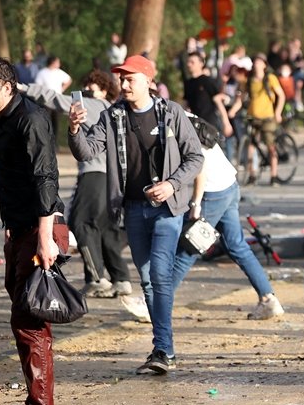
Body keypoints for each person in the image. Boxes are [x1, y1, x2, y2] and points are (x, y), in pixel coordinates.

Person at [68, 55, 204, 375]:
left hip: (168, 209)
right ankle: (162, 349)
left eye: (130, 79)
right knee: (146, 280)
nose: (123, 84)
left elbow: (195, 157)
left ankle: (164, 349)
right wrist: (74, 129)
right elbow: (87, 152)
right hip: (132, 208)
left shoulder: (170, 112)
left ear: (148, 81)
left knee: (159, 274)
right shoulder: (114, 115)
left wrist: (172, 185)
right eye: (121, 79)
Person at [0, 57, 69, 405]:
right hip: (19, 228)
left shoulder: (31, 119)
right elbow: (10, 180)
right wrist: (9, 228)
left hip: (40, 228)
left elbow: (46, 179)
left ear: (7, 86)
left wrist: (45, 238)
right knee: (23, 313)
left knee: (29, 319)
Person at [21, 69, 132, 297]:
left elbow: (55, 100)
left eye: (95, 86)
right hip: (115, 178)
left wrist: (23, 88)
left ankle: (96, 278)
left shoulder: (93, 105)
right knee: (104, 228)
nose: (90, 89)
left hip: (94, 174)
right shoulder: (115, 111)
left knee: (81, 223)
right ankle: (121, 278)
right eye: (88, 84)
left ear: (105, 91)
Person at [171, 115, 284, 319]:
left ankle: (155, 302)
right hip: (229, 185)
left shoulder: (170, 124)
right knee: (237, 246)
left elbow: (200, 167)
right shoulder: (186, 115)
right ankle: (268, 299)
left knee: (189, 248)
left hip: (213, 191)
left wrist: (195, 204)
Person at [244, 55, 285, 186]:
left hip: (267, 117)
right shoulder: (250, 80)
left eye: (259, 62)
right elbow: (243, 97)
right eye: (254, 62)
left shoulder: (270, 79)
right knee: (251, 147)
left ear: (264, 65)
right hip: (253, 117)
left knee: (270, 146)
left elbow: (281, 95)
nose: (256, 64)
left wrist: (278, 112)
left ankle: (274, 175)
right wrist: (233, 110)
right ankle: (252, 175)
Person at [183, 51, 230, 135]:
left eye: (192, 62)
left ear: (201, 63)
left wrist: (226, 123)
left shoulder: (207, 81)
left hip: (209, 125)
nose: (189, 65)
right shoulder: (188, 83)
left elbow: (218, 100)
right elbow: (186, 104)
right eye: (188, 62)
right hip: (194, 124)